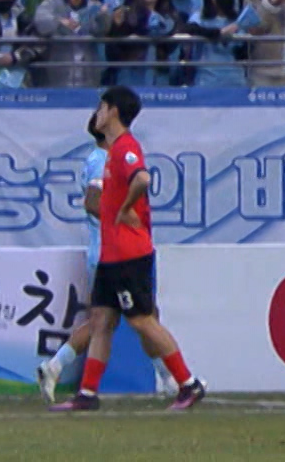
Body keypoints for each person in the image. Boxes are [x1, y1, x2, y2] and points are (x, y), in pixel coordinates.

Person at [48, 86, 207, 412]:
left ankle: (188, 383)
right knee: (102, 322)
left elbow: (143, 179)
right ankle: (87, 394)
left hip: (128, 253)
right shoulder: (112, 151)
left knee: (142, 320)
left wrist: (125, 208)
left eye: (101, 107)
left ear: (114, 111)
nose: (97, 113)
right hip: (111, 254)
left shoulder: (126, 148)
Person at [36, 121, 178, 399]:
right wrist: (124, 218)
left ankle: (55, 366)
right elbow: (92, 201)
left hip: (107, 252)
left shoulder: (104, 158)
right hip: (114, 254)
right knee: (145, 317)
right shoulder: (101, 160)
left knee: (104, 321)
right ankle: (173, 380)